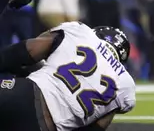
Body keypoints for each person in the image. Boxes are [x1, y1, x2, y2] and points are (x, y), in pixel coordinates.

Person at [0, 22, 135, 131]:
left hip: (23, 93)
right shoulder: (125, 86)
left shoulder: (81, 32)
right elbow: (96, 128)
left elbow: (28, 51)